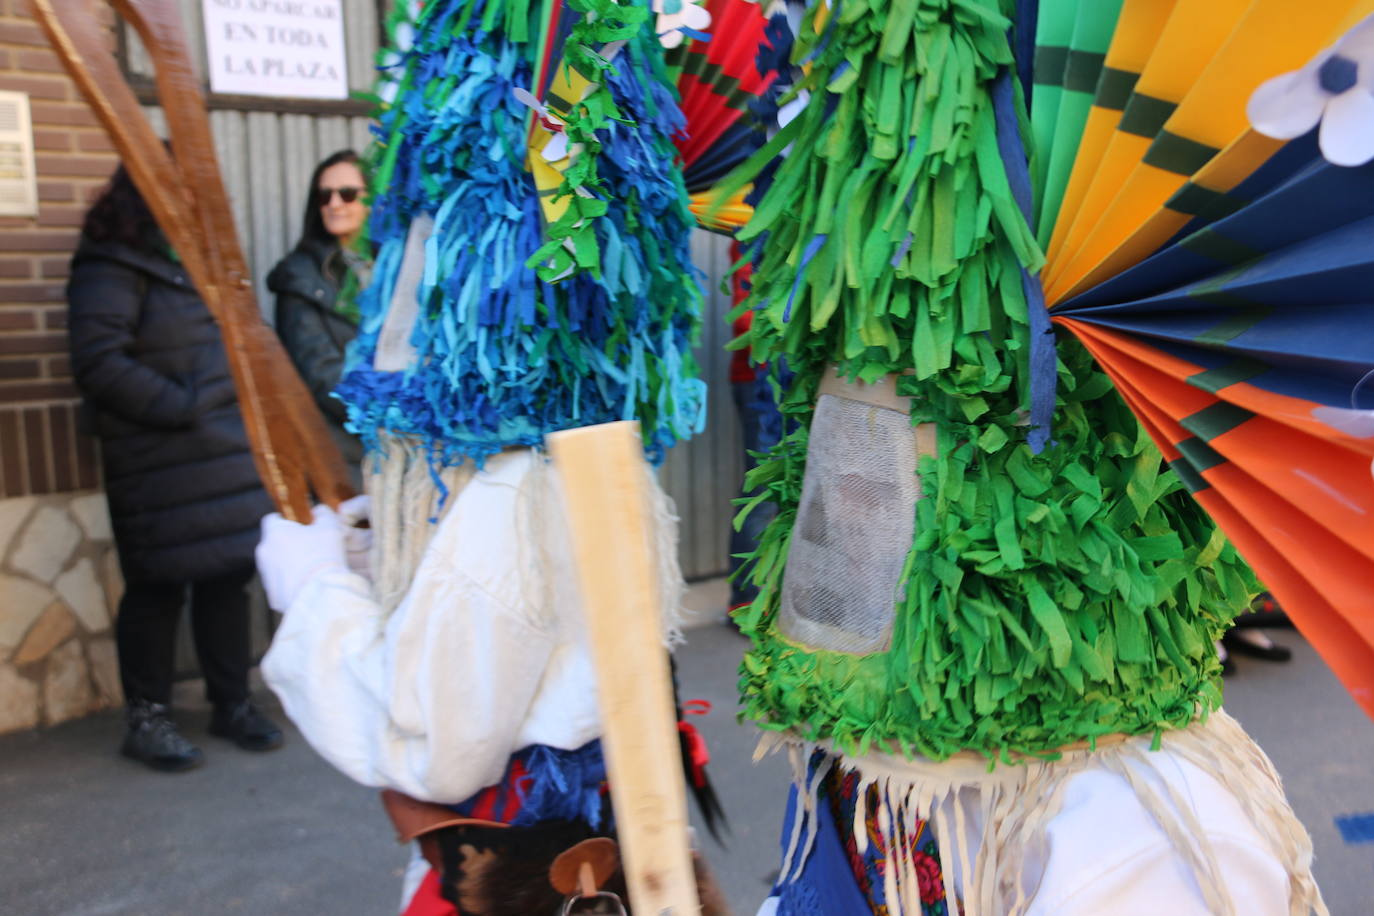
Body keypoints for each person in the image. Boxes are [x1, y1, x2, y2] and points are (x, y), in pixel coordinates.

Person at [255, 1, 711, 911]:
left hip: (523, 872)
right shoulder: (583, 452)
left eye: (422, 267)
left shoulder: (511, 488)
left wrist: (312, 595)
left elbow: (432, 741)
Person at [67, 164, 282, 773]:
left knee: (225, 580)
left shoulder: (199, 260)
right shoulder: (111, 265)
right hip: (157, 458)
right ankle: (148, 717)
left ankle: (233, 704)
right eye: (175, 189)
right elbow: (99, 360)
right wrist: (179, 405)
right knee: (156, 588)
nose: (189, 201)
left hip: (215, 453)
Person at [267, 149, 371, 484]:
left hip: (407, 443)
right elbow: (322, 375)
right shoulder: (299, 277)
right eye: (325, 195)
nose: (335, 204)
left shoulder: (396, 266)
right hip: (347, 452)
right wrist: (391, 411)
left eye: (348, 193)